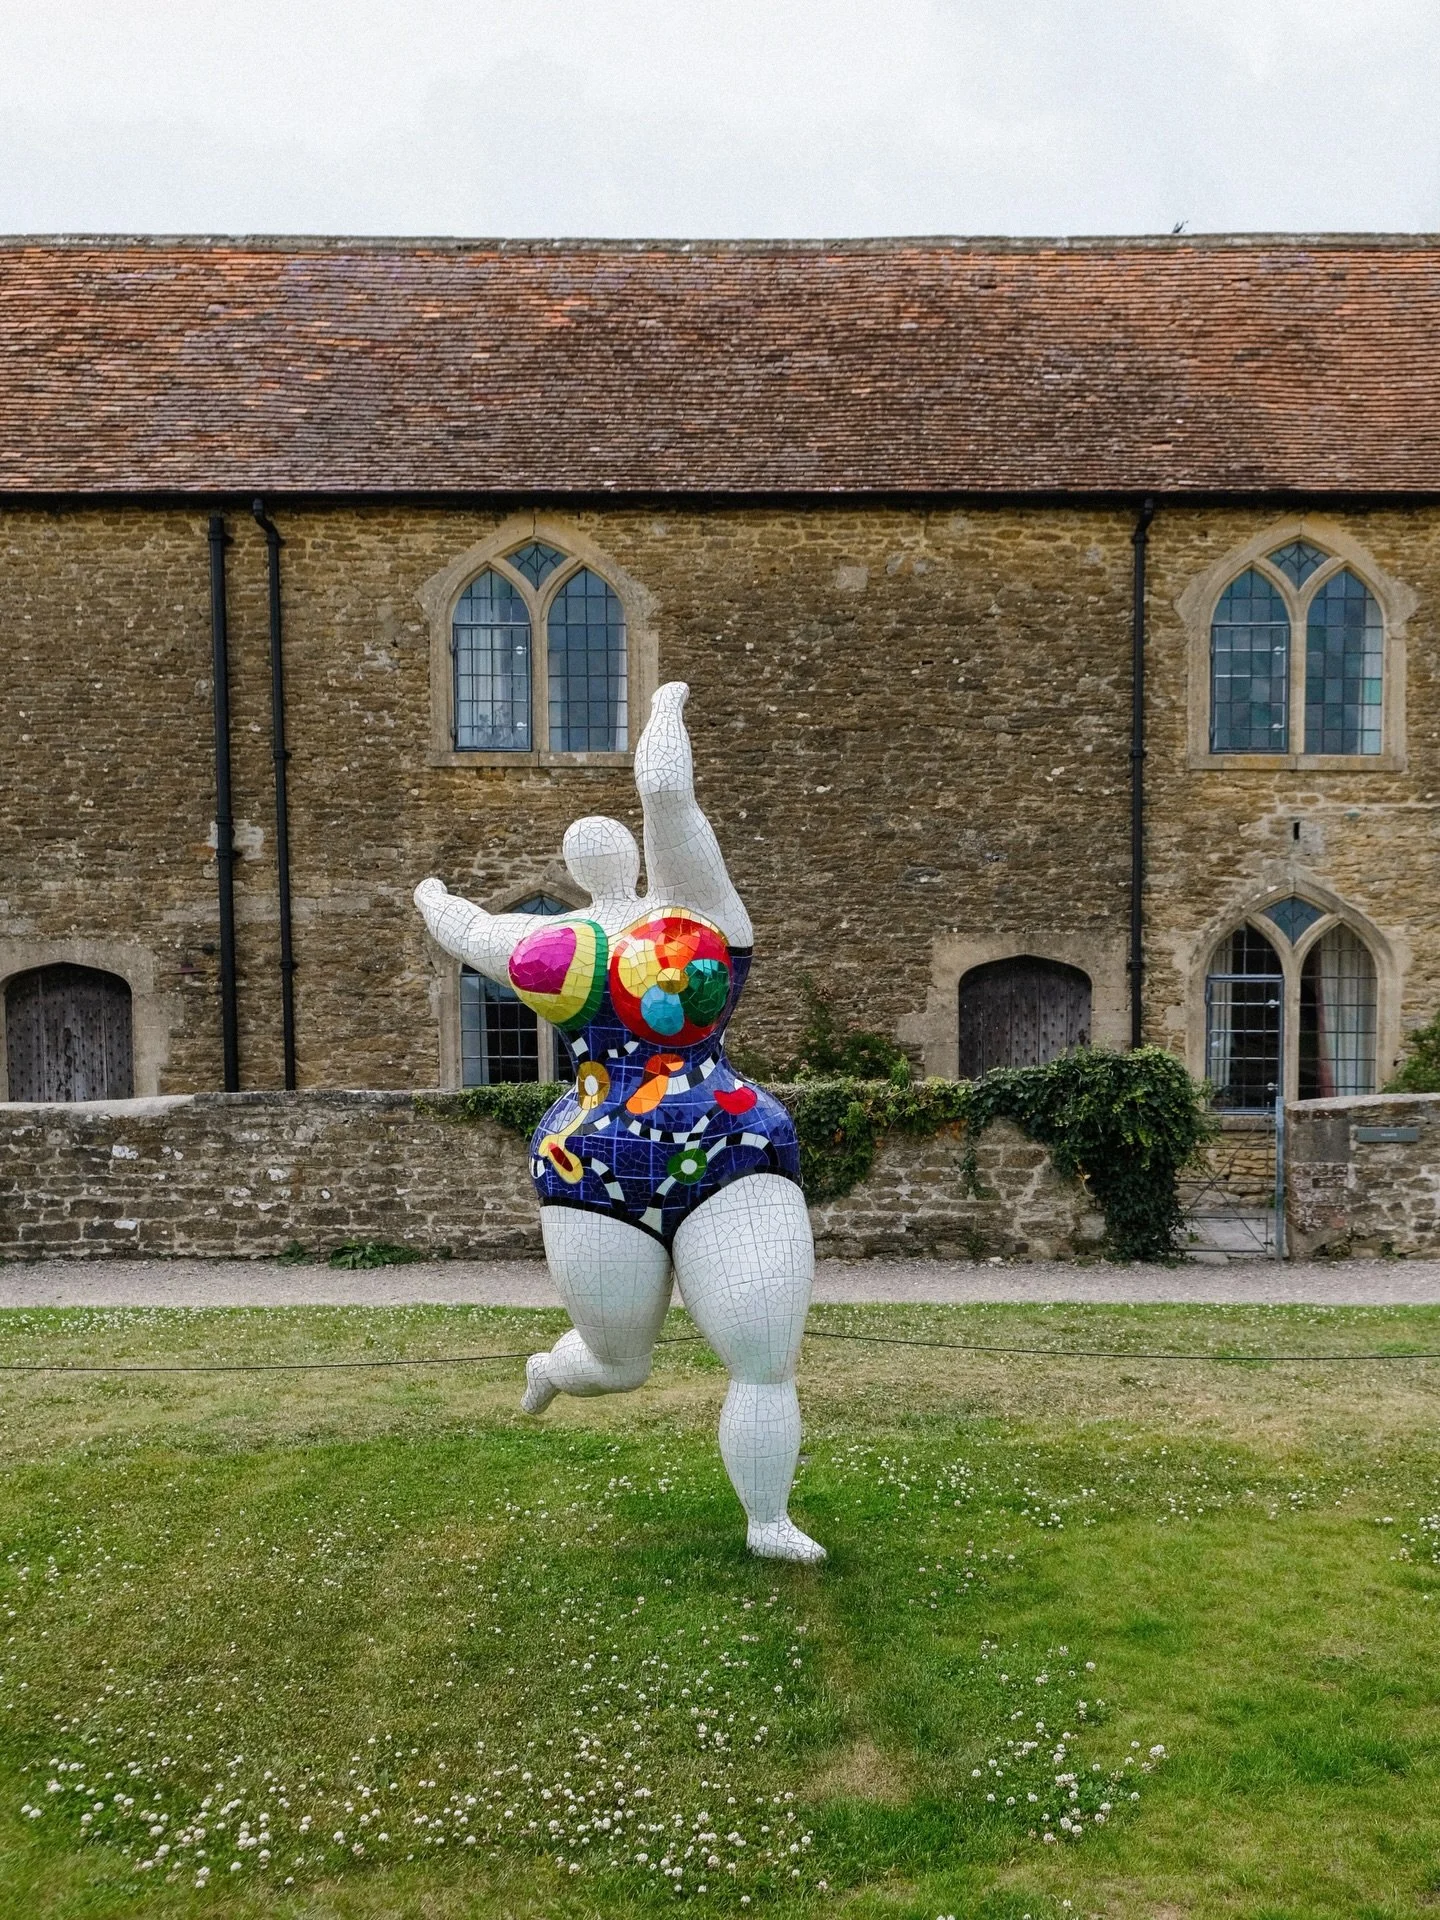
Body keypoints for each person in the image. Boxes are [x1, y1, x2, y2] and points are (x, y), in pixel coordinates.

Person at [414, 682, 824, 1563]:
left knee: (763, 1353)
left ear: (573, 866)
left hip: (701, 1150)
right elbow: (668, 793)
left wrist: (430, 893)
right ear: (628, 857)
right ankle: (552, 1369)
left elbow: (466, 929)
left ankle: (767, 1521)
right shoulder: (676, 923)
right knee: (618, 1363)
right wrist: (665, 709)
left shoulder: (592, 939)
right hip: (628, 1157)